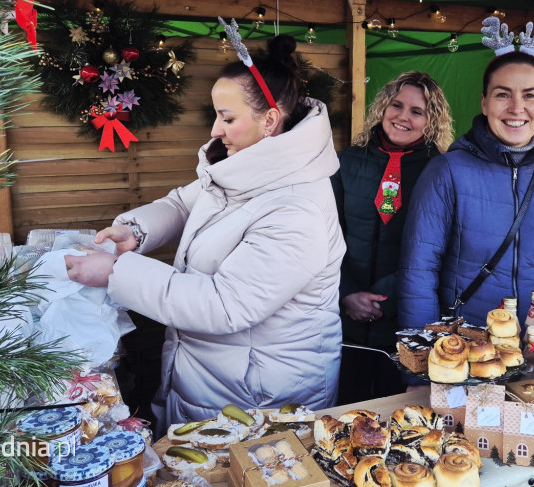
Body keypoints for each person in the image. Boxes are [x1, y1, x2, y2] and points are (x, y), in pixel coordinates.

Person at [65, 22, 345, 430]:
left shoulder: (296, 210)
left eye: (227, 118)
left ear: (269, 120)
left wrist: (116, 272)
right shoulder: (244, 167)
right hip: (213, 374)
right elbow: (184, 203)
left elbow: (225, 305)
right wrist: (137, 231)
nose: (215, 130)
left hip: (259, 397)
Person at [397, 12, 534, 346]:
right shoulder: (447, 171)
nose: (517, 108)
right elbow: (418, 270)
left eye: (530, 95)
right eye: (503, 94)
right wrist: (422, 352)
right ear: (484, 102)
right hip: (468, 346)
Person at [332, 71, 453, 404]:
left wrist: (383, 299)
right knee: (346, 411)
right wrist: (347, 293)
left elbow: (442, 249)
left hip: (405, 321)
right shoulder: (346, 162)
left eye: (417, 111)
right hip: (344, 322)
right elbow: (324, 235)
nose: (403, 116)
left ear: (432, 120)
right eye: (396, 105)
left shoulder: (442, 171)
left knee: (397, 413)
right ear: (383, 107)